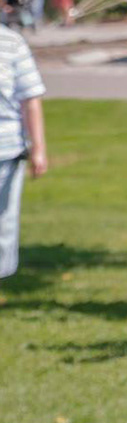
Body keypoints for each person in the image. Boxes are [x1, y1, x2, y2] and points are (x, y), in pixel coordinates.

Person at [0, 24, 48, 283]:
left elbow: (30, 97)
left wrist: (38, 149)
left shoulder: (11, 42)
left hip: (6, 151)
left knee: (3, 226)